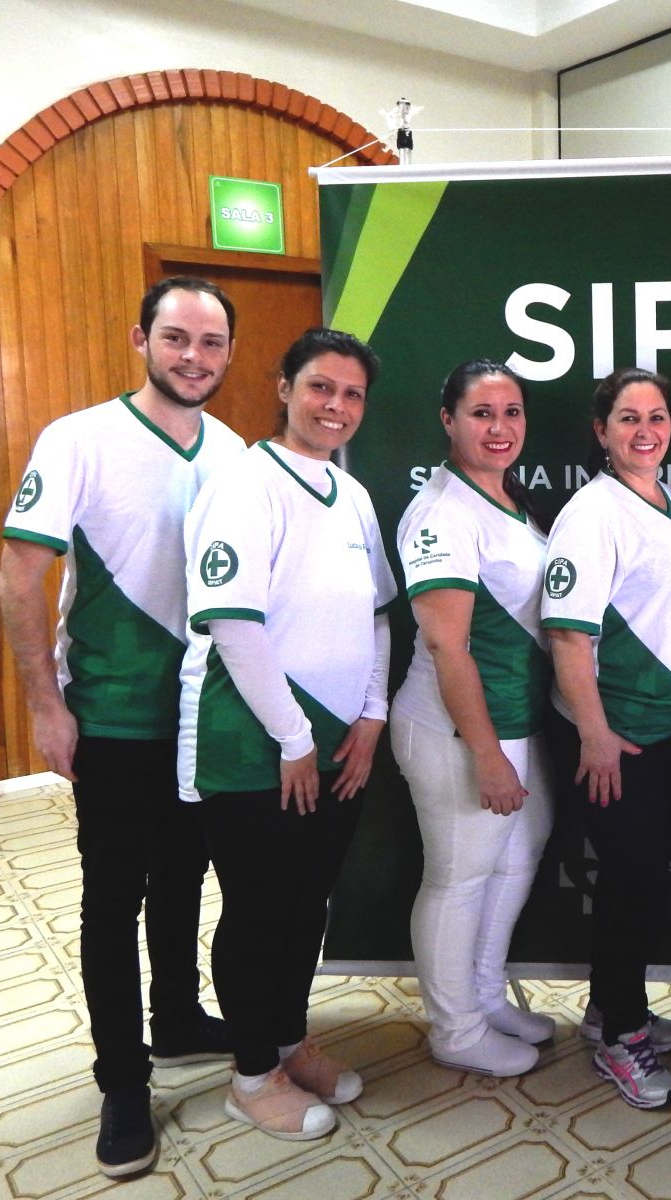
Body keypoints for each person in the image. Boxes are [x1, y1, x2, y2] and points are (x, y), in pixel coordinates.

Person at [0, 277, 245, 1178]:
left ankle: (175, 1017)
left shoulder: (233, 451)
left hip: (200, 718)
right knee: (113, 900)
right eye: (176, 337)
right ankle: (123, 1082)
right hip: (110, 715)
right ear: (141, 339)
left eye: (211, 343)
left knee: (185, 876)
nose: (194, 357)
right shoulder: (79, 439)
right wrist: (44, 703)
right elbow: (19, 575)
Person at [177, 328, 397, 1141]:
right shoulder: (244, 484)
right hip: (257, 747)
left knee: (307, 905)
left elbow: (378, 614)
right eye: (320, 387)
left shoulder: (353, 494)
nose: (336, 405)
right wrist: (294, 738)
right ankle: (250, 1076)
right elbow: (235, 625)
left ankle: (287, 1041)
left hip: (336, 744)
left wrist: (371, 715)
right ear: (284, 389)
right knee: (259, 910)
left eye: (352, 394)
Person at [391, 361, 556, 1079]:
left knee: (516, 856)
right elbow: (446, 644)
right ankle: (454, 1029)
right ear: (449, 420)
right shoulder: (443, 513)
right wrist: (487, 755)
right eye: (482, 413)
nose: (499, 427)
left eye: (511, 412)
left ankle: (484, 997)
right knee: (458, 877)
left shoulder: (505, 497)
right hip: (457, 730)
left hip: (517, 719)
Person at [541, 368, 671, 1109]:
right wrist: (596, 736)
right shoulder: (591, 514)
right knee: (630, 885)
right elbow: (568, 637)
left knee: (639, 882)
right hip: (616, 736)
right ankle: (621, 1038)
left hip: (663, 730)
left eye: (657, 417)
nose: (645, 430)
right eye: (628, 418)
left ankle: (610, 1008)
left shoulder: (669, 499)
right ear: (601, 431)